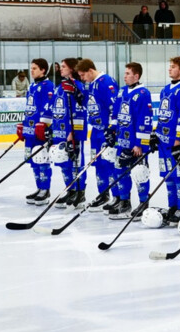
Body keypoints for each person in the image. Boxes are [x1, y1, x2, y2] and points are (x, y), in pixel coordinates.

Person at [152, 57, 180, 227]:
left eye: (173, 67)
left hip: (174, 142)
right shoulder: (165, 89)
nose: (170, 69)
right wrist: (155, 133)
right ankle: (173, 206)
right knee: (168, 176)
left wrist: (179, 141)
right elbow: (163, 114)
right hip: (163, 142)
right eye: (170, 66)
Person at [107, 62, 152, 221]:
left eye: (128, 73)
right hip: (121, 141)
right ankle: (125, 202)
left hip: (135, 144)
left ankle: (143, 203)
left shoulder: (143, 93)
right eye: (125, 73)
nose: (124, 76)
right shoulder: (122, 91)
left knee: (140, 173)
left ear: (136, 76)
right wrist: (111, 130)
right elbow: (116, 114)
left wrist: (140, 144)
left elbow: (144, 119)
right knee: (120, 170)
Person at [75, 58, 118, 211]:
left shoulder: (106, 82)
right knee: (98, 163)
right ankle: (103, 194)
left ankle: (117, 196)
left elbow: (115, 107)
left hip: (106, 130)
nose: (82, 78)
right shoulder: (91, 84)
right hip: (95, 131)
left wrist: (112, 128)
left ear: (90, 71)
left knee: (109, 163)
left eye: (83, 75)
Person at [44, 58, 85, 208]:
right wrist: (50, 129)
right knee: (63, 163)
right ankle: (70, 189)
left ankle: (80, 192)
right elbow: (54, 109)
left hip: (70, 132)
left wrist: (73, 132)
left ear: (72, 69)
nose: (60, 69)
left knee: (76, 163)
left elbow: (80, 111)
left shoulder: (77, 86)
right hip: (59, 131)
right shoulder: (60, 87)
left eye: (63, 67)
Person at [20, 58, 55, 204]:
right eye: (31, 68)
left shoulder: (48, 86)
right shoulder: (32, 86)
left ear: (43, 70)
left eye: (34, 68)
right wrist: (23, 124)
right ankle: (39, 187)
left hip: (40, 130)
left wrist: (44, 125)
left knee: (42, 159)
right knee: (34, 161)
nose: (31, 71)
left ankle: (45, 189)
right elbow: (29, 107)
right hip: (30, 130)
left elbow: (49, 107)